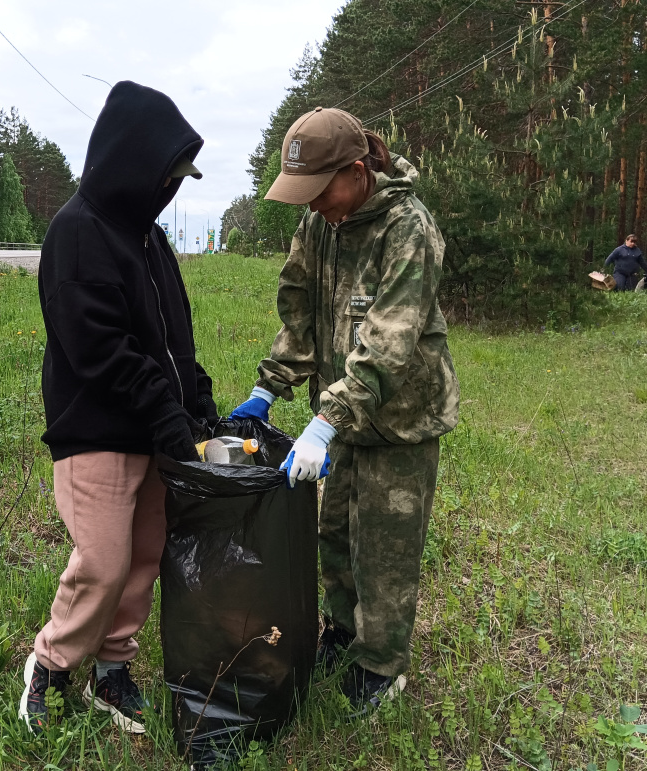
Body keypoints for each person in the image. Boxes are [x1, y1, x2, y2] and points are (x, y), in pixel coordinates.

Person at [231, 107, 459, 715]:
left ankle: (382, 663)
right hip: (337, 416)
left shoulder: (409, 229)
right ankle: (343, 631)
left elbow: (388, 340)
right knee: (334, 532)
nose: (315, 206)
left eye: (321, 191)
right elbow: (299, 308)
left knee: (383, 543)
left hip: (399, 416)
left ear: (357, 171)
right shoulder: (319, 225)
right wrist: (271, 387)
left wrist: (325, 420)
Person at [19, 81, 217, 735]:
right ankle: (50, 665)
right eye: (168, 174)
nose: (172, 189)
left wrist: (197, 398)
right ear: (134, 160)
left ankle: (114, 670)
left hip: (153, 432)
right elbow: (100, 349)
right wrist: (166, 412)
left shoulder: (148, 240)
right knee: (102, 560)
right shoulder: (78, 233)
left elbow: (168, 336)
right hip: (96, 432)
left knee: (143, 556)